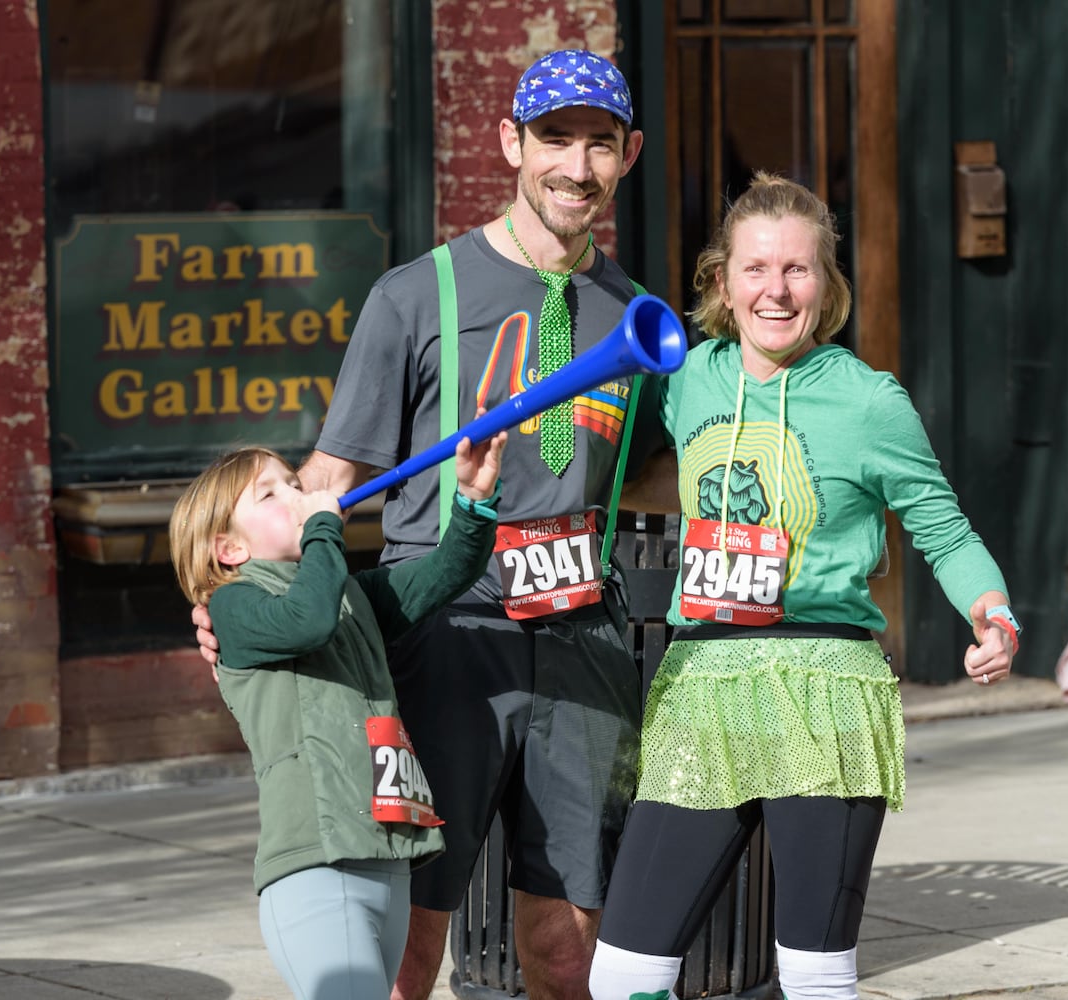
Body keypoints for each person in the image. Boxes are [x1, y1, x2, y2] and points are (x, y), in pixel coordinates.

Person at [193, 49, 657, 1000]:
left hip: (584, 639)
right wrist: (233, 597)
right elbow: (330, 478)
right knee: (411, 939)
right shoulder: (414, 296)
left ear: (629, 155)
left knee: (568, 943)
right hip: (446, 638)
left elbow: (652, 467)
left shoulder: (631, 312)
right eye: (554, 140)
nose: (576, 166)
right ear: (510, 144)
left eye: (599, 145)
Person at [588, 172, 1021, 1000]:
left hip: (823, 688)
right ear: (721, 280)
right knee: (622, 974)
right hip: (702, 687)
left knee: (815, 980)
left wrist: (992, 613)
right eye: (755, 269)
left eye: (796, 269)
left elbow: (945, 529)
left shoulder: (869, 401)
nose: (775, 290)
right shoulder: (686, 379)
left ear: (827, 285)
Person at [169, 431, 505, 1000]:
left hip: (383, 854)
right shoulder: (234, 605)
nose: (298, 497)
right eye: (270, 495)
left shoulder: (346, 592)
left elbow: (445, 573)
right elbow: (307, 620)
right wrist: (323, 525)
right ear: (229, 549)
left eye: (296, 485)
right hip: (316, 861)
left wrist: (472, 503)